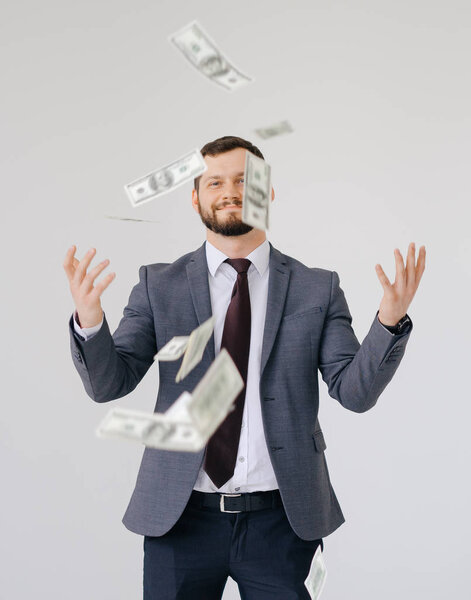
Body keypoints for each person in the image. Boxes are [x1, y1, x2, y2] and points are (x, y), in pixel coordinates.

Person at [63, 136, 426, 600]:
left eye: (244, 180)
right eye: (215, 182)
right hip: (180, 517)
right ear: (195, 197)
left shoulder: (317, 289)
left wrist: (388, 322)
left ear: (267, 193)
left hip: (283, 520)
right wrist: (91, 323)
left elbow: (354, 392)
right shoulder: (158, 285)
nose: (230, 191)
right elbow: (109, 383)